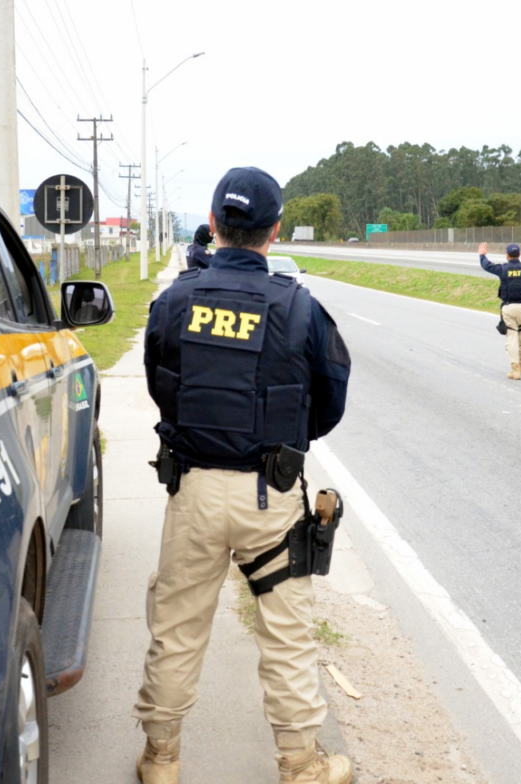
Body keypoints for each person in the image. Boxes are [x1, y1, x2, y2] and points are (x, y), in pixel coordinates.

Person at [134, 167, 352, 784]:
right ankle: (301, 765)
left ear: (212, 224)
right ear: (274, 230)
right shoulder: (298, 306)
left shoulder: (175, 300)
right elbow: (331, 396)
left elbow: (159, 382)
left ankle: (161, 760)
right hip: (270, 496)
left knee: (176, 629)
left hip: (194, 491)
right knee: (286, 636)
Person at [478, 242, 521, 379]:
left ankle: (515, 369)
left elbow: (486, 266)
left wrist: (482, 255)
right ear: (519, 255)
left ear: (507, 255)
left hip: (509, 308)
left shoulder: (503, 269)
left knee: (512, 337)